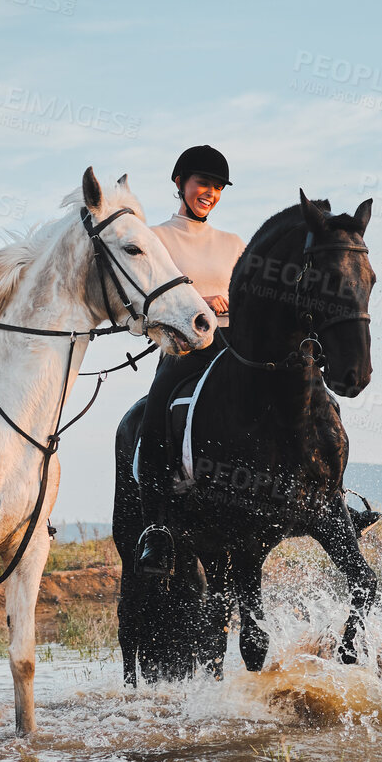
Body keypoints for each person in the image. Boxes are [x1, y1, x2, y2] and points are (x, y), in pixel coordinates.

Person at [135, 145, 246, 574]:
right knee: (154, 412)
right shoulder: (156, 239)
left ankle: (328, 497)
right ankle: (157, 529)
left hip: (236, 347)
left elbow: (248, 298)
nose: (211, 193)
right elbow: (151, 301)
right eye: (204, 184)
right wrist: (201, 299)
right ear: (180, 183)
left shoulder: (234, 243)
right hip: (185, 350)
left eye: (218, 187)